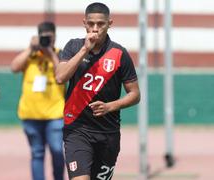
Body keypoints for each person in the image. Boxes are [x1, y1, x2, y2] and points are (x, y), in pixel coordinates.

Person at [56, 2, 140, 180]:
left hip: (108, 133)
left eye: (101, 24)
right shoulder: (73, 46)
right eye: (91, 24)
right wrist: (84, 50)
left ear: (110, 24)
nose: (95, 29)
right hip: (76, 130)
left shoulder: (119, 54)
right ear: (84, 23)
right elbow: (60, 77)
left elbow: (135, 94)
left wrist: (110, 106)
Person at [11, 21, 65, 180]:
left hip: (55, 113)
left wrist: (49, 52)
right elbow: (14, 67)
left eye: (50, 37)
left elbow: (61, 73)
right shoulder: (31, 55)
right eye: (44, 38)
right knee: (37, 152)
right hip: (31, 113)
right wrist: (30, 48)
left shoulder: (60, 54)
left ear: (55, 37)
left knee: (56, 150)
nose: (47, 40)